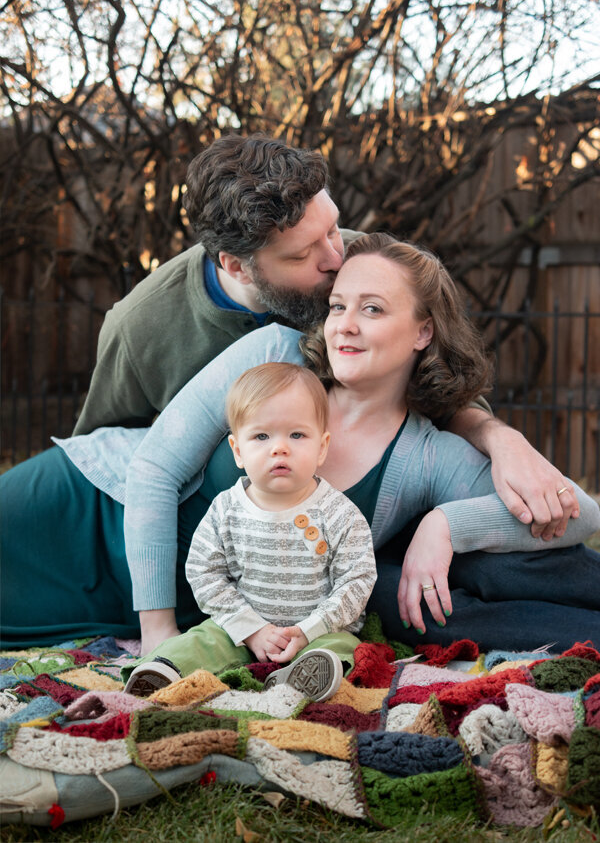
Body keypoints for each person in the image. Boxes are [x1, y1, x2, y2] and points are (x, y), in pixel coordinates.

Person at [2, 234, 598, 654]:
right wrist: (156, 630)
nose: (344, 323)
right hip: (94, 505)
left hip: (182, 598)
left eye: (372, 308)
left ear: (423, 331)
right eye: (338, 305)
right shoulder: (276, 353)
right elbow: (155, 468)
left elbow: (581, 514)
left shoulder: (427, 456)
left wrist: (446, 525)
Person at [72, 133, 578, 543]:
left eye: (332, 229)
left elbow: (440, 388)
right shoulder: (141, 326)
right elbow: (109, 453)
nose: (336, 258)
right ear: (237, 266)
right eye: (302, 255)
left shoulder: (362, 265)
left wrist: (502, 439)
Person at [122, 362, 376, 700]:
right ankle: (163, 670)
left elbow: (357, 581)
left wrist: (309, 629)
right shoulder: (227, 510)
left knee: (344, 646)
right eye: (261, 436)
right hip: (240, 630)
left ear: (322, 447)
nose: (279, 448)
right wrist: (251, 629)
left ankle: (303, 675)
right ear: (238, 451)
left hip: (315, 631)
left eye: (297, 435)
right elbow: (203, 572)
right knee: (203, 640)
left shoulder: (340, 514)